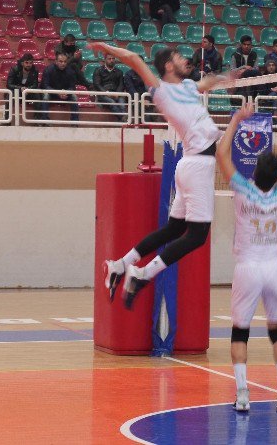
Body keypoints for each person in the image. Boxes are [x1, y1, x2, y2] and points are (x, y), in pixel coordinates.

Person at [92, 42, 235, 308]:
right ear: (169, 66)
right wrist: (105, 47)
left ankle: (121, 265)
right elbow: (134, 58)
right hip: (198, 166)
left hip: (189, 165)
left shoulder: (188, 87)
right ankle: (142, 274)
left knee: (175, 229)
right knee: (197, 236)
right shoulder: (162, 92)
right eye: (179, 58)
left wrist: (227, 77)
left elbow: (206, 84)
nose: (185, 60)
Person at [216, 99, 277, 413]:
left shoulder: (243, 189)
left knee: (240, 332)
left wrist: (237, 119)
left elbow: (221, 154)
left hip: (248, 267)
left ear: (255, 169)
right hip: (274, 267)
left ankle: (242, 395)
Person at [40, 52, 80, 122]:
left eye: (65, 62)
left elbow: (73, 87)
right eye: (61, 61)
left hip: (65, 94)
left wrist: (66, 92)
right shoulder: (48, 70)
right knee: (45, 96)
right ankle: (45, 121)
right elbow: (45, 86)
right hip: (52, 93)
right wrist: (58, 93)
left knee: (74, 97)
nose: (63, 64)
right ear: (56, 61)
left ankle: (75, 121)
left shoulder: (70, 71)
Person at [92, 53, 127, 121]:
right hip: (103, 94)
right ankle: (124, 119)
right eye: (109, 59)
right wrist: (106, 93)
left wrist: (117, 94)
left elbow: (121, 85)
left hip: (116, 94)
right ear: (105, 60)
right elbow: (97, 84)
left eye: (113, 59)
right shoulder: (98, 70)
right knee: (112, 102)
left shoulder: (119, 72)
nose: (112, 60)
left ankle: (122, 122)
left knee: (122, 105)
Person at [5, 53, 39, 122]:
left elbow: (35, 85)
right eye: (26, 63)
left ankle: (37, 119)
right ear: (22, 63)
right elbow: (9, 84)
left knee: (37, 95)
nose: (29, 65)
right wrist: (20, 88)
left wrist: (28, 89)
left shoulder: (35, 71)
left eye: (30, 63)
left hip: (28, 92)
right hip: (16, 91)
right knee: (10, 94)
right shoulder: (14, 69)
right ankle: (7, 120)